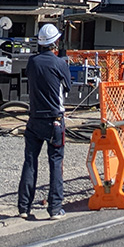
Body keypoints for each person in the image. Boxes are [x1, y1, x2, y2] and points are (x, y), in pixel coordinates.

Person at [18, 23, 73, 220]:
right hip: (55, 120)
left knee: (30, 161)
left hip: (34, 119)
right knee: (55, 162)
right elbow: (68, 87)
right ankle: (55, 208)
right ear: (55, 42)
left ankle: (24, 207)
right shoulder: (60, 64)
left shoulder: (32, 62)